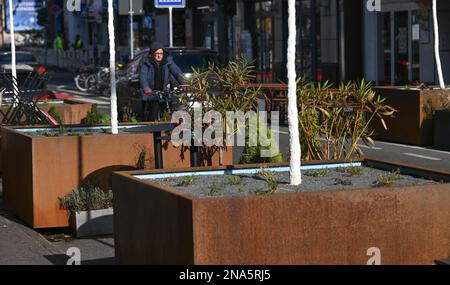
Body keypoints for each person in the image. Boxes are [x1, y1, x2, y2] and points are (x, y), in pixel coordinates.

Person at [139, 42, 186, 121]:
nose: (159, 55)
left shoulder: (168, 62)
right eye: (157, 53)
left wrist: (184, 83)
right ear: (152, 54)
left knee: (169, 110)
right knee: (153, 111)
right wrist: (146, 87)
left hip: (165, 92)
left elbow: (177, 72)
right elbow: (143, 76)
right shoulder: (146, 63)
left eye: (161, 53)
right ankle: (154, 130)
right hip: (152, 93)